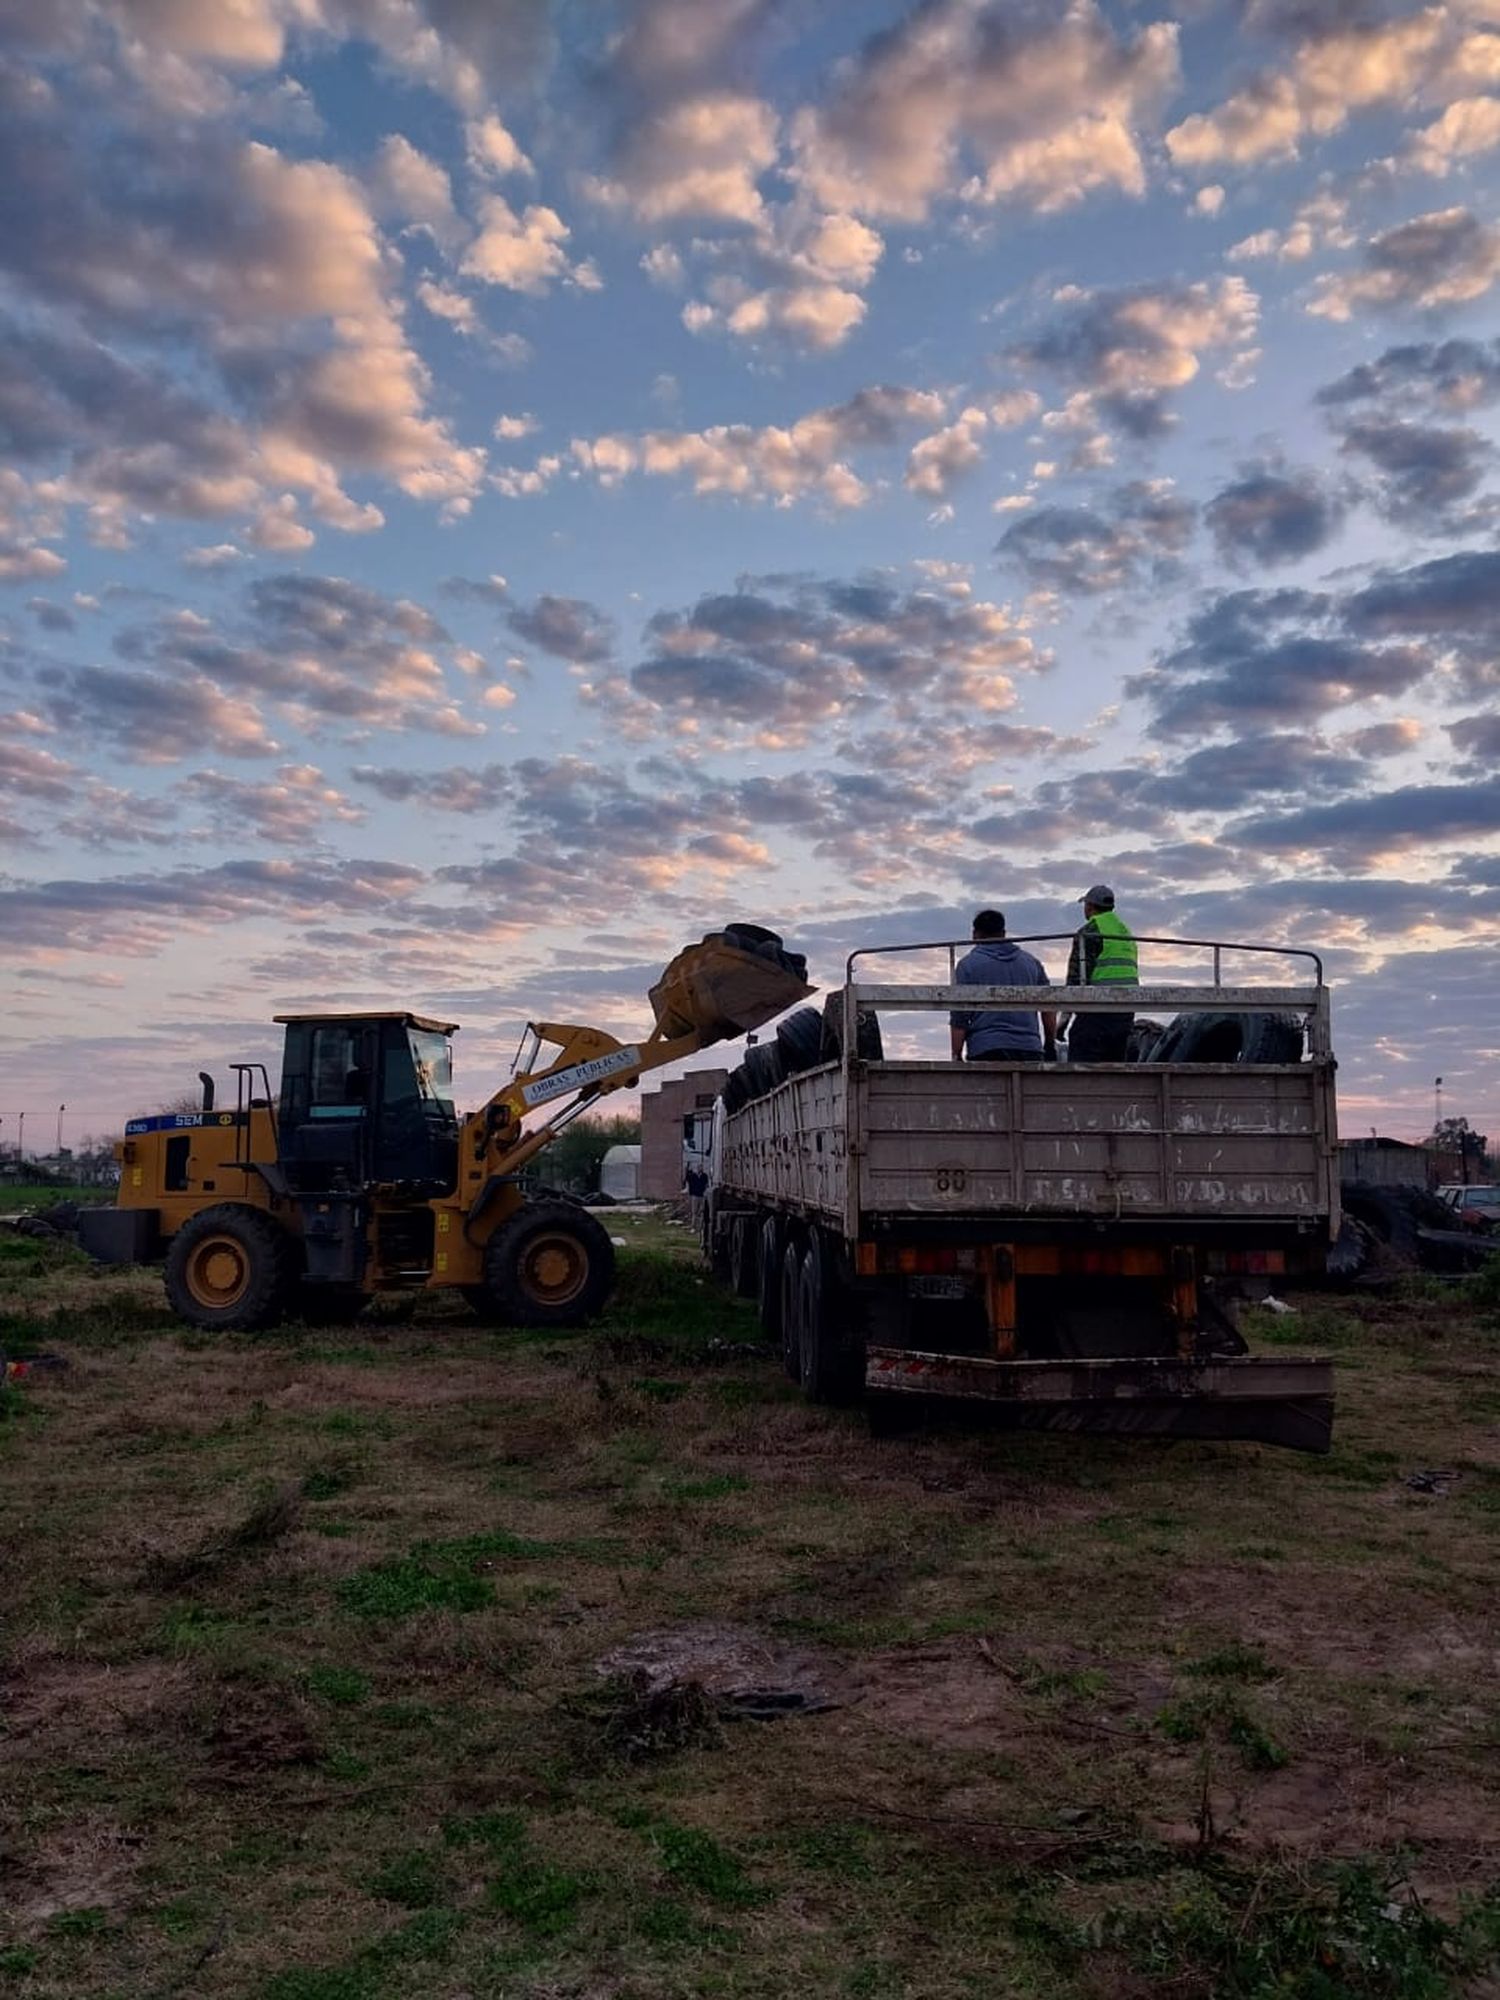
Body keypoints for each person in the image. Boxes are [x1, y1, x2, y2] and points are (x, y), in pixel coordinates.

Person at [949, 910, 1057, 1063]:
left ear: (975, 934)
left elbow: (959, 1017)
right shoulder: (1031, 963)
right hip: (1029, 1048)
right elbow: (1049, 1008)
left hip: (986, 1048)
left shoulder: (967, 965)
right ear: (1004, 933)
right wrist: (1050, 1044)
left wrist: (957, 1055)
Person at [1061, 884, 1137, 1062]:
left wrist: (1064, 1019)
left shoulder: (1089, 932)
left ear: (1089, 907)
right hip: (1126, 1012)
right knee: (1115, 1065)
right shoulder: (1126, 932)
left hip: (1098, 1009)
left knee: (1081, 1058)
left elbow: (1076, 979)